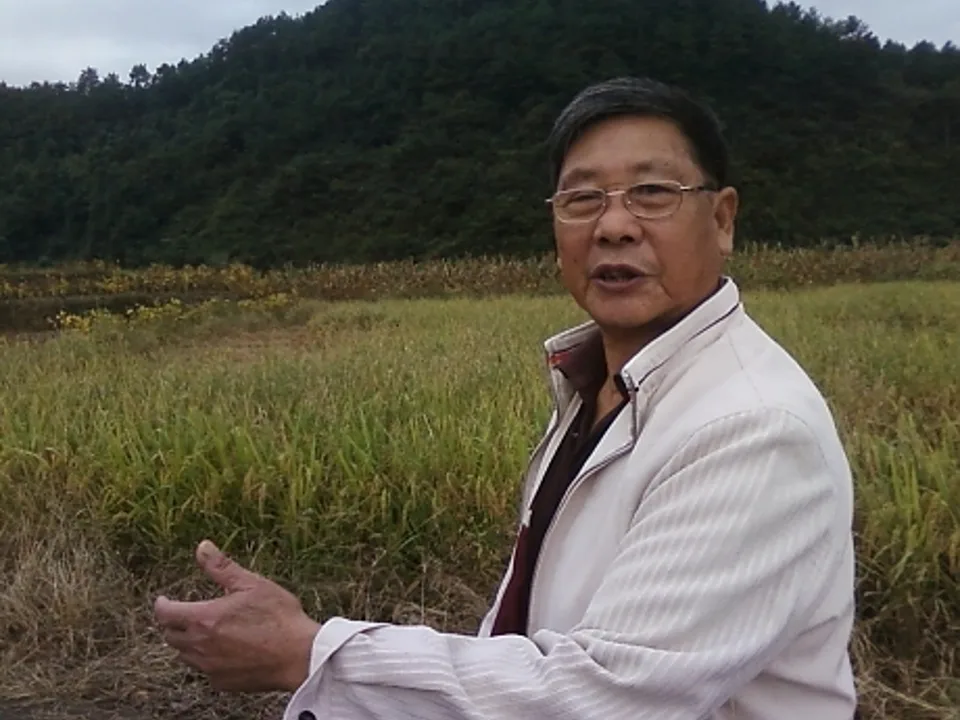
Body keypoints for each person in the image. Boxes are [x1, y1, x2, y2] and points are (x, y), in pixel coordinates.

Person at [154, 76, 859, 720]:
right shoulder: (596, 384)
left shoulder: (753, 428)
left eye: (653, 193)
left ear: (723, 219)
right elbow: (523, 625)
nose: (613, 225)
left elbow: (606, 697)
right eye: (583, 199)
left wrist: (311, 654)